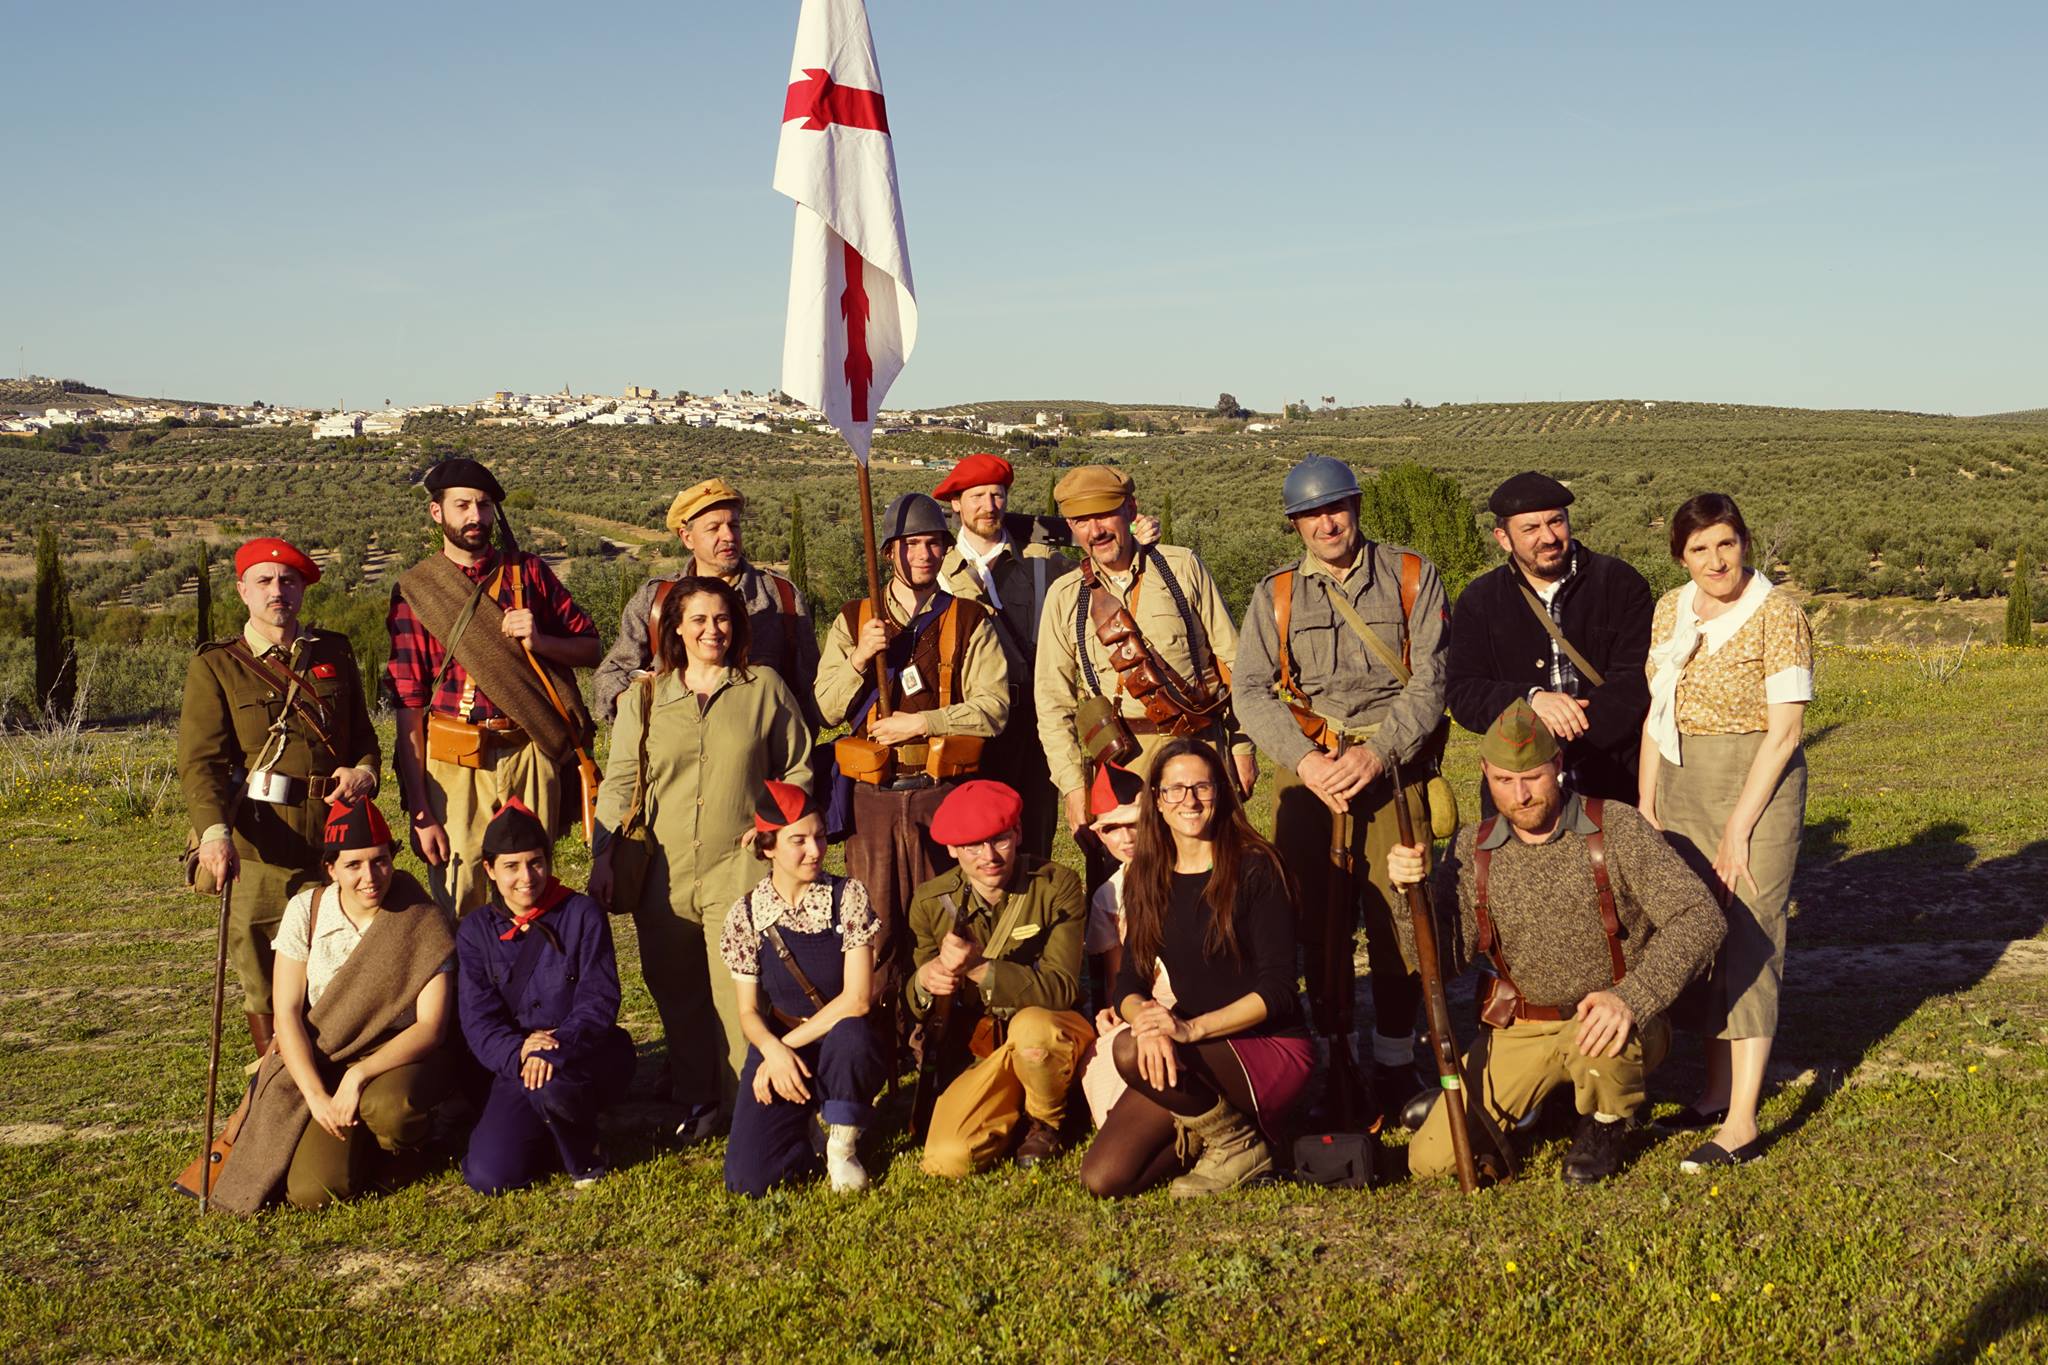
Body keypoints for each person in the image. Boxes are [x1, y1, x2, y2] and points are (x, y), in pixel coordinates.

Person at [1387, 701, 1725, 1185]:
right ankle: (1542, 1107)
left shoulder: (1617, 827)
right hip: (1522, 1026)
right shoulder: (1471, 848)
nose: (1521, 796)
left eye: (1534, 778)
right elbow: (1443, 961)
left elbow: (1700, 916)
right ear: (1485, 773)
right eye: (1504, 781)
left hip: (1607, 1018)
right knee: (1430, 1161)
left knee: (1602, 1042)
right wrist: (1408, 897)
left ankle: (1608, 1123)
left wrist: (1633, 998)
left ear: (1559, 766)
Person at [1232, 454, 1449, 1123]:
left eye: (1337, 508)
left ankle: (1392, 1062)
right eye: (1312, 514)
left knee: (1402, 920)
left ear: (1356, 507)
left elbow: (1432, 679)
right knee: (1314, 925)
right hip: (1312, 780)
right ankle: (1335, 1056)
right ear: (1296, 523)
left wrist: (1378, 754)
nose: (1327, 523)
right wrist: (1308, 762)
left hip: (1393, 773)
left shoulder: (1412, 575)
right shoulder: (1275, 595)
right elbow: (1249, 690)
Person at [591, 575, 813, 1142]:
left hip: (737, 867)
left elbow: (798, 767)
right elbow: (619, 783)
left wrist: (772, 828)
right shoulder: (645, 696)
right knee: (674, 987)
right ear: (676, 630)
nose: (712, 630)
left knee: (738, 990)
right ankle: (698, 1100)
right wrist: (603, 855)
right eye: (699, 620)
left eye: (722, 619)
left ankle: (750, 1106)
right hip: (662, 869)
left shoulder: (762, 687)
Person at [1639, 492, 1812, 1171]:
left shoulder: (1778, 613)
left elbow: (1787, 730)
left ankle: (1742, 1119)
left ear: (1745, 540)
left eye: (1727, 542)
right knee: (1698, 929)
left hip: (1755, 782)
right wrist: (1647, 801)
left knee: (1749, 932)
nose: (1716, 559)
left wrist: (1740, 825)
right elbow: (1658, 708)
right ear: (1681, 555)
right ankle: (1713, 1092)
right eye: (1699, 548)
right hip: (1681, 780)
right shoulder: (1671, 608)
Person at [1079, 739, 1310, 1199]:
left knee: (1127, 1052)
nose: (1189, 800)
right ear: (1158, 803)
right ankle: (1217, 1128)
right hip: (1188, 1049)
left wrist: (1188, 1030)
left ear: (1220, 793)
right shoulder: (1148, 874)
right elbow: (1131, 980)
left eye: (1201, 787)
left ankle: (1237, 1140)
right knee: (1104, 1178)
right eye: (1175, 790)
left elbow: (1280, 989)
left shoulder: (1257, 868)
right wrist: (1145, 1019)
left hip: (1264, 1045)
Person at [180, 537, 380, 1057]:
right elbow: (200, 762)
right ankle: (276, 1090)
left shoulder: (334, 652)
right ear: (242, 590)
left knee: (340, 959)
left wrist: (364, 774)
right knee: (264, 975)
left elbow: (363, 737)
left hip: (334, 840)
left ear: (302, 591)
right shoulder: (217, 666)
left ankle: (340, 1073)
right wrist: (213, 834)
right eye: (265, 582)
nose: (278, 592)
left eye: (288, 582)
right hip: (259, 846)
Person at [209, 799, 456, 1214]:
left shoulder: (421, 918)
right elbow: (286, 1012)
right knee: (313, 1191)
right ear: (331, 868)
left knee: (390, 1110)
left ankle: (409, 1145)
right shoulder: (306, 911)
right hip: (327, 1056)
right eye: (354, 865)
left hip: (396, 1058)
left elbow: (431, 1026)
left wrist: (358, 1075)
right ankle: (360, 1143)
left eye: (380, 861)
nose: (370, 877)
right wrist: (316, 1095)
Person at [815, 492, 1009, 1018]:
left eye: (933, 544)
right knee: (871, 931)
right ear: (888, 553)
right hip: (870, 803)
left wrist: (922, 723)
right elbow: (826, 707)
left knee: (942, 928)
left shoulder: (970, 619)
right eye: (911, 544)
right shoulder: (854, 620)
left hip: (941, 797)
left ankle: (939, 1042)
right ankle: (875, 1044)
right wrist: (860, 657)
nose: (923, 555)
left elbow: (994, 708)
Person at [387, 457, 601, 917]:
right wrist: (420, 809)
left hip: (530, 749)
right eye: (462, 505)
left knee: (532, 888)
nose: (474, 517)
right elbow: (409, 705)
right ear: (437, 512)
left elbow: (589, 647)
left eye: (484, 506)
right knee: (461, 891)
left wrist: (541, 641)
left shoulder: (529, 574)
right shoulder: (418, 591)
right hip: (456, 763)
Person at [1034, 465, 1254, 886]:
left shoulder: (1181, 567)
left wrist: (1241, 747)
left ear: (1130, 509)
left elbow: (1234, 663)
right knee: (1126, 893)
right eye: (1082, 521)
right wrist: (1072, 788)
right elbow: (1052, 703)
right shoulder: (1064, 598)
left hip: (1196, 747)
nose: (1095, 531)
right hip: (1120, 762)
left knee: (1214, 879)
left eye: (1105, 515)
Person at [906, 780, 1091, 1178]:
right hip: (985, 1050)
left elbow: (1061, 989)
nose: (989, 857)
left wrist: (978, 968)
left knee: (1033, 1029)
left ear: (1018, 833)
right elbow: (918, 1004)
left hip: (1050, 1031)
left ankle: (1046, 1121)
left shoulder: (1057, 886)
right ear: (952, 850)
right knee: (947, 1159)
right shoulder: (930, 903)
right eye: (973, 846)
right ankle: (1013, 1112)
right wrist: (926, 980)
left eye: (1000, 840)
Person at [456, 799, 635, 1195]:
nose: (527, 877)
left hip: (579, 1056)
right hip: (517, 1066)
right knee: (491, 1176)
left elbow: (598, 1001)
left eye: (535, 862)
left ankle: (583, 1152)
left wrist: (553, 1047)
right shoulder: (474, 931)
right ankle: (547, 1134)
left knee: (552, 1086)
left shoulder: (582, 914)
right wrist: (520, 1051)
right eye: (511, 866)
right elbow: (478, 1019)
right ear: (489, 869)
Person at [1445, 471, 1655, 806]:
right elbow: (1463, 693)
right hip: (1518, 799)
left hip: (1614, 787)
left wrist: (1566, 736)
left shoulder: (1620, 584)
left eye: (1556, 522)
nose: (1548, 537)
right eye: (1530, 528)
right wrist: (1529, 699)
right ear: (1503, 537)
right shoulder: (1479, 600)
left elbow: (1637, 681)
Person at [720, 781, 885, 1197]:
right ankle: (804, 1126)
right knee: (748, 1181)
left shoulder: (848, 896)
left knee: (851, 1034)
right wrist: (772, 1051)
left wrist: (784, 1047)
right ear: (768, 846)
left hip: (843, 1038)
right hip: (783, 1037)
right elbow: (748, 1013)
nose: (815, 850)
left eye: (819, 836)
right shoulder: (745, 913)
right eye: (799, 840)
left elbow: (857, 999)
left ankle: (842, 1145)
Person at [933, 453, 1074, 861]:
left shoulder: (1044, 562)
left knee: (1034, 834)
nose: (989, 506)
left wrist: (1136, 537)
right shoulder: (939, 568)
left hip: (1035, 718)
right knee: (974, 835)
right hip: (970, 718)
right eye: (977, 496)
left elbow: (1097, 582)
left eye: (997, 495)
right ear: (956, 504)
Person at [592, 477, 821, 727]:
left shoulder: (781, 596)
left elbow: (811, 685)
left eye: (734, 525)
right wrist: (633, 701)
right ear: (687, 538)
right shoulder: (655, 600)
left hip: (765, 758)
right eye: (714, 528)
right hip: (676, 756)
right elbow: (611, 673)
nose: (728, 536)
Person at [1074, 762, 1171, 1130]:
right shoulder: (1107, 897)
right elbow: (1118, 979)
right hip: (1143, 1002)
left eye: (1134, 823)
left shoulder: (1188, 870)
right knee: (1102, 1061)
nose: (1125, 838)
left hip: (1197, 998)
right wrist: (1117, 1011)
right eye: (1111, 829)